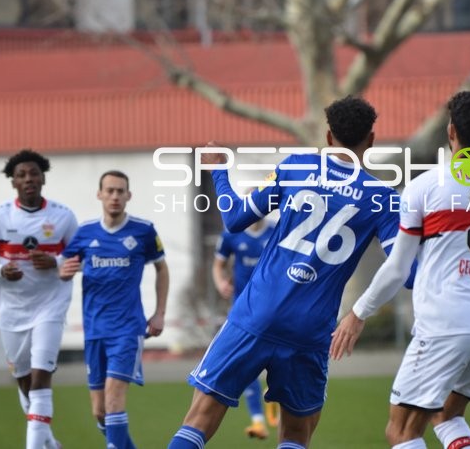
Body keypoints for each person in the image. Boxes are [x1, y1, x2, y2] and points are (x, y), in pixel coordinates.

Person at [168, 96, 407, 449]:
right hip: (310, 329)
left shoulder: (296, 166)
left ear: (328, 137)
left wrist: (218, 168)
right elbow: (405, 269)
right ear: (371, 140)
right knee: (296, 434)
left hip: (257, 314)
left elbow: (234, 219)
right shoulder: (383, 197)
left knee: (199, 420)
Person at [331, 90, 470, 449]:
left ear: (451, 131)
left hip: (446, 326)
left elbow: (398, 268)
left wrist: (357, 313)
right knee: (448, 417)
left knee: (401, 432)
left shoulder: (426, 186)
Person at [0, 149, 79, 449]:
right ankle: (50, 443)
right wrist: (0, 270)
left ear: (43, 177)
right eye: (22, 175)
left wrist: (56, 262)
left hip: (51, 306)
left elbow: (79, 256)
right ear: (13, 183)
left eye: (34, 173)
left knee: (41, 376)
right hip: (13, 312)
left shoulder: (63, 216)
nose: (28, 179)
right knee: (24, 380)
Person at [60, 170, 170, 449]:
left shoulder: (144, 231)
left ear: (129, 196)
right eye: (109, 191)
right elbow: (64, 267)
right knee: (99, 411)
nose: (115, 196)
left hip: (127, 329)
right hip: (94, 330)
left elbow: (161, 268)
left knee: (113, 401)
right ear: (99, 195)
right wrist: (64, 272)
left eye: (120, 191)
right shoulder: (85, 233)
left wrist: (160, 312)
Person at [212, 217, 279, 439]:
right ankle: (258, 421)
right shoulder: (232, 232)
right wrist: (221, 282)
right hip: (243, 310)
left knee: (277, 360)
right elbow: (218, 265)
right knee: (245, 362)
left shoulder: (277, 230)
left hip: (274, 308)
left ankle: (274, 397)